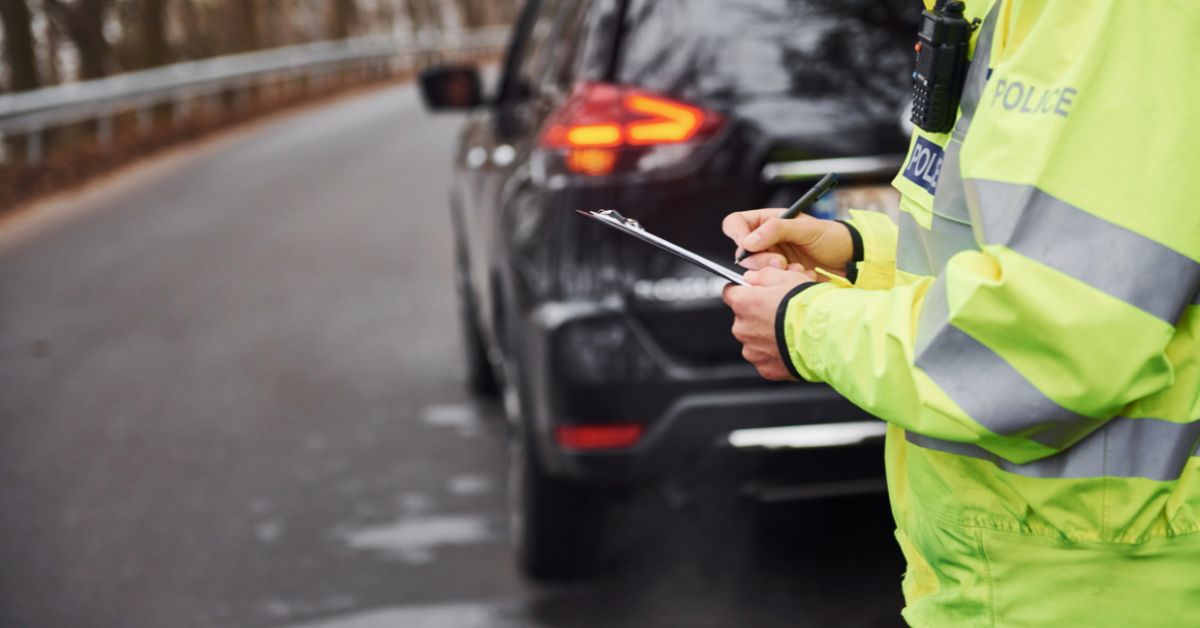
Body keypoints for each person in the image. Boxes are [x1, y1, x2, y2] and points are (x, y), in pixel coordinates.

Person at [720, 0, 1200, 625]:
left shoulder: (1106, 15)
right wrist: (857, 255)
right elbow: (1048, 252)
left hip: (1093, 585)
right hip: (1029, 569)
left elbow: (1051, 336)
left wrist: (805, 323)